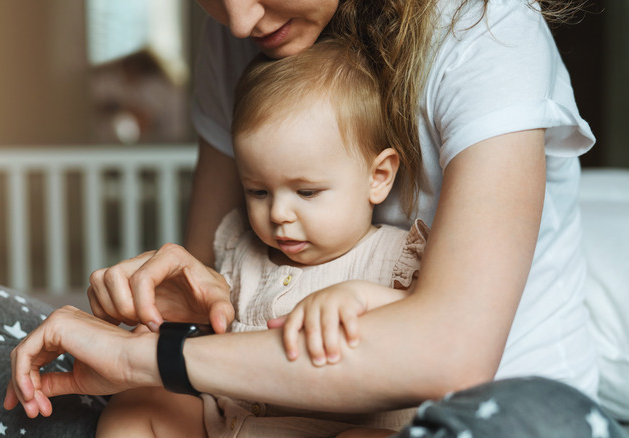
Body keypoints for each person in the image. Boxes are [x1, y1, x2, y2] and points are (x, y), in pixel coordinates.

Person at [0, 0, 629, 437]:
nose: (239, 18)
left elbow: (450, 356)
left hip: (455, 411)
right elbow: (213, 287)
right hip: (242, 402)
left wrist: (144, 361)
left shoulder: (486, 31)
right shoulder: (244, 28)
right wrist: (150, 319)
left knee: (541, 420)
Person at [96, 38, 430, 437]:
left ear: (378, 177)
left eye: (306, 192)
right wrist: (168, 318)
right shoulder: (240, 249)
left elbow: (429, 327)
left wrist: (363, 298)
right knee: (139, 406)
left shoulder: (395, 257)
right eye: (258, 191)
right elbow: (206, 332)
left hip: (335, 428)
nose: (278, 214)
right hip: (231, 426)